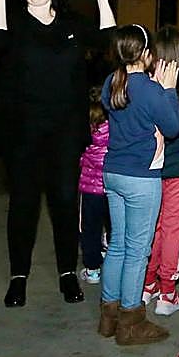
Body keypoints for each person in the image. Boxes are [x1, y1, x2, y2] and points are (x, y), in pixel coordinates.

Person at [0, 0, 116, 308]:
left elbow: (110, 40)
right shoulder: (15, 22)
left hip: (64, 132)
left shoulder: (71, 24)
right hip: (22, 133)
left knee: (63, 201)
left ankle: (66, 273)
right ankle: (18, 278)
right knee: (24, 203)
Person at [98, 24, 179, 345]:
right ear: (145, 54)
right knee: (137, 250)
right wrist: (168, 89)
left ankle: (109, 315)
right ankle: (131, 321)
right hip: (139, 177)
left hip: (113, 172)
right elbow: (172, 127)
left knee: (117, 244)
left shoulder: (111, 82)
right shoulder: (147, 88)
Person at [141, 26, 179, 317]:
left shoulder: (145, 83)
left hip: (150, 167)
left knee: (154, 226)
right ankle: (167, 291)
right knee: (174, 228)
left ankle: (147, 284)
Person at [78, 89, 110, 286]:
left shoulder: (83, 129)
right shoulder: (115, 126)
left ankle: (92, 269)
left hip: (89, 188)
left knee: (89, 229)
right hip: (111, 186)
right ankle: (115, 260)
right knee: (115, 225)